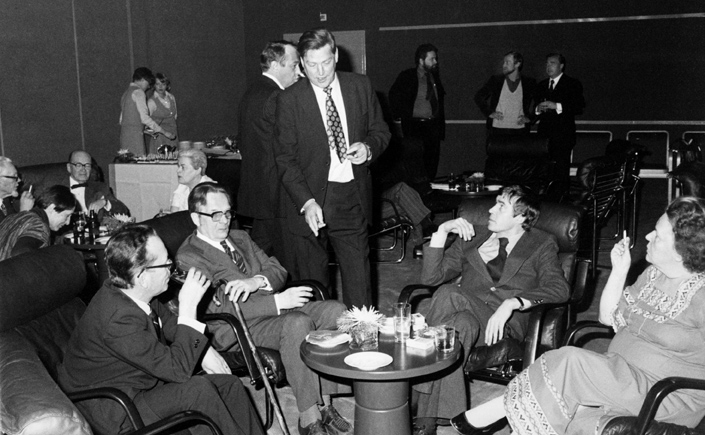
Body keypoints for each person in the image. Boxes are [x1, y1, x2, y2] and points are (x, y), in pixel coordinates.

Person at [449, 196, 705, 434]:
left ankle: (493, 411)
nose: (648, 235)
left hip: (665, 394)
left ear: (680, 252)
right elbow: (608, 318)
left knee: (569, 362)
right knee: (561, 408)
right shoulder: (653, 274)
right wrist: (619, 270)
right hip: (620, 378)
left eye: (657, 235)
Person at [176, 182, 352, 435]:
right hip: (235, 327)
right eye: (215, 214)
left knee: (336, 311)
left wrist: (256, 281)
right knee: (298, 323)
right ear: (196, 217)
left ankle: (324, 403)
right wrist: (278, 302)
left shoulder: (240, 237)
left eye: (228, 213)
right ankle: (309, 418)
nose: (224, 221)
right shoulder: (190, 256)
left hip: (270, 312)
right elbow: (218, 306)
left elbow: (278, 270)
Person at [57, 224, 265, 435]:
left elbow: (170, 324)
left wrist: (205, 352)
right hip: (118, 407)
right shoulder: (118, 320)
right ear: (143, 278)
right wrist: (188, 308)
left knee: (229, 385)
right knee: (198, 391)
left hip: (138, 384)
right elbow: (178, 371)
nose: (171, 267)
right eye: (166, 263)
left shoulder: (132, 291)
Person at [412, 185, 569, 435]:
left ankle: (413, 380)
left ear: (521, 216)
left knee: (449, 292)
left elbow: (559, 288)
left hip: (502, 326)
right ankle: (429, 419)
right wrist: (442, 232)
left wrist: (513, 303)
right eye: (495, 202)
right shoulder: (473, 236)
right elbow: (431, 278)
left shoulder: (541, 243)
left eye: (501, 206)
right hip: (469, 315)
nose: (491, 210)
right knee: (461, 325)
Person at [275, 28, 390, 309]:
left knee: (359, 279)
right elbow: (285, 160)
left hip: (350, 196)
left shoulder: (359, 86)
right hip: (309, 200)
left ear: (336, 55)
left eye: (326, 62)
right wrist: (307, 202)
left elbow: (381, 131)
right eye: (311, 65)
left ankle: (361, 333)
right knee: (315, 285)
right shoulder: (289, 100)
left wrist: (368, 148)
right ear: (302, 64)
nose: (320, 72)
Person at [237, 40, 301, 277]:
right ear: (275, 65)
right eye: (294, 65)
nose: (298, 72)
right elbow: (290, 146)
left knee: (259, 252)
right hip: (278, 192)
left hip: (260, 189)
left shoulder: (252, 92)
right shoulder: (276, 96)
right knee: (288, 260)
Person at [389, 43, 446, 180]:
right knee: (414, 164)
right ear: (421, 61)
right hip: (414, 126)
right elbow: (393, 95)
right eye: (431, 59)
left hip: (432, 126)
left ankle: (429, 188)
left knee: (431, 163)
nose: (435, 62)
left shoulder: (433, 77)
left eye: (435, 58)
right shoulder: (407, 76)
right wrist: (400, 116)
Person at [533, 53, 585, 195]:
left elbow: (579, 107)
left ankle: (561, 201)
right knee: (544, 170)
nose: (548, 66)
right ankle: (546, 199)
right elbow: (533, 111)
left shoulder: (572, 83)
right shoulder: (542, 85)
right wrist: (537, 109)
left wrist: (556, 105)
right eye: (547, 64)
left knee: (561, 171)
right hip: (544, 136)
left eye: (552, 63)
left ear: (561, 66)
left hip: (563, 135)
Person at [0, 184, 76, 261]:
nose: (68, 222)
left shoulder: (12, 217)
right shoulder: (39, 226)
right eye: (67, 215)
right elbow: (20, 253)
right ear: (52, 208)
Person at [474, 51, 536, 138]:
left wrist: (531, 118)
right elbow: (478, 96)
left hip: (520, 130)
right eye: (504, 62)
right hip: (497, 129)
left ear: (517, 64)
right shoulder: (496, 80)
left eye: (507, 62)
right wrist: (489, 112)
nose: (504, 65)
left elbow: (540, 102)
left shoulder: (529, 82)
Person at [120, 67, 176, 155]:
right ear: (143, 79)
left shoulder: (126, 93)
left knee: (127, 161)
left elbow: (121, 120)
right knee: (139, 161)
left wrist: (146, 130)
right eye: (148, 83)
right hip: (135, 138)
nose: (148, 87)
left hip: (124, 137)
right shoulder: (139, 92)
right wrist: (164, 132)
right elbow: (144, 118)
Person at [66, 150, 130, 218]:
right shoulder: (59, 187)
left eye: (87, 165)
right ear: (69, 167)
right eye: (78, 165)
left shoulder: (100, 187)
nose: (83, 169)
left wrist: (105, 202)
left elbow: (123, 211)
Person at [146, 72, 178, 153]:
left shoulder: (171, 97)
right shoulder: (151, 102)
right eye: (157, 84)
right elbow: (146, 123)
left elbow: (175, 117)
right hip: (160, 138)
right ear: (154, 85)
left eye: (163, 84)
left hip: (173, 136)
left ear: (167, 85)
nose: (160, 87)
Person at [0, 156, 34, 224]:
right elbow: (8, 230)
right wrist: (24, 212)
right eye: (14, 176)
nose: (19, 180)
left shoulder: (6, 202)